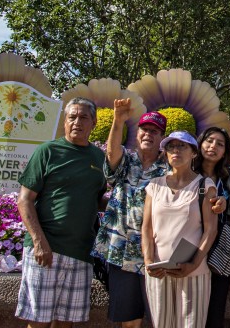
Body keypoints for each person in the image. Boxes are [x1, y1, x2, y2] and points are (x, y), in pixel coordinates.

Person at [15, 97, 106, 328]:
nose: (77, 122)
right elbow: (24, 200)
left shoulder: (100, 159)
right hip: (46, 249)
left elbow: (97, 200)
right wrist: (38, 241)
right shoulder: (48, 151)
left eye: (84, 117)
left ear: (93, 123)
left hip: (80, 253)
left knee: (66, 323)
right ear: (64, 122)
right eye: (72, 117)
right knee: (38, 321)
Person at [92, 100, 168, 328]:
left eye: (154, 131)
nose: (148, 135)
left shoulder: (168, 168)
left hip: (156, 253)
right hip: (121, 251)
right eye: (145, 129)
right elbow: (112, 153)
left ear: (162, 138)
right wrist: (118, 119)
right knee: (129, 320)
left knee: (160, 318)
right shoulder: (127, 161)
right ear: (137, 133)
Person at [142, 130, 217, 328]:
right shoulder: (154, 186)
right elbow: (147, 228)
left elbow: (210, 230)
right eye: (171, 146)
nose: (176, 150)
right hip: (159, 271)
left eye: (182, 146)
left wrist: (193, 264)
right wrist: (149, 261)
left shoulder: (204, 185)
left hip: (194, 272)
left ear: (193, 152)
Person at [193, 126, 230, 328]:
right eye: (209, 141)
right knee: (190, 310)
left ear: (225, 152)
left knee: (215, 311)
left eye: (220, 144)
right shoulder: (187, 173)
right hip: (192, 246)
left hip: (220, 252)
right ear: (200, 144)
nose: (213, 147)